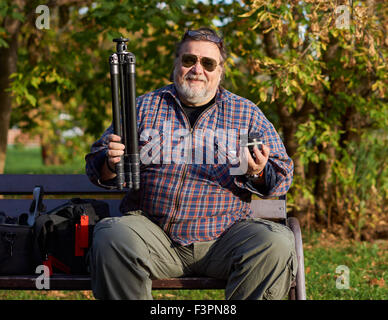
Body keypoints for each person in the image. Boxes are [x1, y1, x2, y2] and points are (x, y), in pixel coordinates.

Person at [85, 27, 297, 300]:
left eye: (208, 63)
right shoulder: (145, 107)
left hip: (223, 238)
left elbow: (281, 174)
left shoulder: (245, 113)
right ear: (176, 64)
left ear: (220, 71)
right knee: (111, 235)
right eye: (189, 60)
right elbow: (97, 164)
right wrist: (111, 163)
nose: (197, 69)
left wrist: (256, 173)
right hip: (153, 234)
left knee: (276, 242)